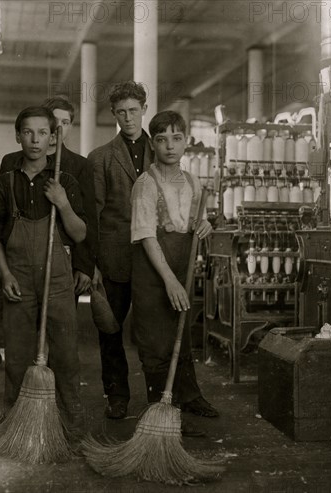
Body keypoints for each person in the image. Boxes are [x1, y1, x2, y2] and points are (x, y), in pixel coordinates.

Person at [0, 106, 87, 436]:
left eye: (43, 132)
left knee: (67, 354)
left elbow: (80, 233)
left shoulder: (64, 181)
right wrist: (6, 275)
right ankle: (15, 416)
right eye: (28, 132)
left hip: (57, 279)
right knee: (16, 353)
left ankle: (70, 420)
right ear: (18, 136)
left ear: (53, 138)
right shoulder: (6, 184)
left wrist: (63, 203)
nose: (35, 139)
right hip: (19, 278)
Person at [130, 110, 219, 431]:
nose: (170, 146)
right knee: (155, 341)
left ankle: (189, 395)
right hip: (153, 276)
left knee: (180, 332)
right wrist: (169, 282)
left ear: (186, 142)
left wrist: (204, 224)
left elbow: (196, 221)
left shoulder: (195, 184)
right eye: (162, 140)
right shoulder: (145, 184)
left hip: (181, 270)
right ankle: (158, 404)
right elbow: (147, 237)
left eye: (176, 139)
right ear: (152, 144)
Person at [88, 81, 153, 419]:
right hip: (113, 260)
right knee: (110, 331)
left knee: (155, 332)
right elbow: (94, 215)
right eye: (121, 112)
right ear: (113, 114)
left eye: (133, 110)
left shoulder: (162, 152)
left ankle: (161, 399)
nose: (128, 118)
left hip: (154, 258)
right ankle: (117, 396)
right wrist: (94, 265)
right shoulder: (99, 158)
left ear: (144, 108)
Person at [0, 97, 96, 297]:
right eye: (55, 121)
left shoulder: (80, 166)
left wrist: (84, 266)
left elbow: (89, 219)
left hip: (64, 263)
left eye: (66, 123)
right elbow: (2, 218)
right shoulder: (11, 162)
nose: (59, 128)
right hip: (20, 261)